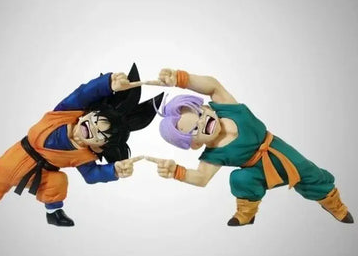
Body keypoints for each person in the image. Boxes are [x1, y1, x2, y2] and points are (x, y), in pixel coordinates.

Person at [0, 64, 163, 227]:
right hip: (18, 157)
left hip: (43, 173)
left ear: (100, 146)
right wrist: (108, 83)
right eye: (94, 121)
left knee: (58, 182)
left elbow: (91, 175)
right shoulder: (65, 112)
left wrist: (113, 171)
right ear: (87, 114)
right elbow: (83, 93)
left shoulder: (85, 155)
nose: (91, 129)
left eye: (99, 135)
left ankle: (53, 213)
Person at [145, 68, 353, 226]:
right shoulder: (213, 154)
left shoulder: (228, 108)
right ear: (195, 144)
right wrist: (177, 172)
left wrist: (181, 79)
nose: (202, 122)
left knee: (308, 171)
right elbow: (201, 178)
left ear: (206, 107)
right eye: (193, 130)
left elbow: (213, 85)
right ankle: (246, 212)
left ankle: (332, 203)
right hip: (257, 172)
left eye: (199, 114)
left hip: (277, 151)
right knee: (240, 179)